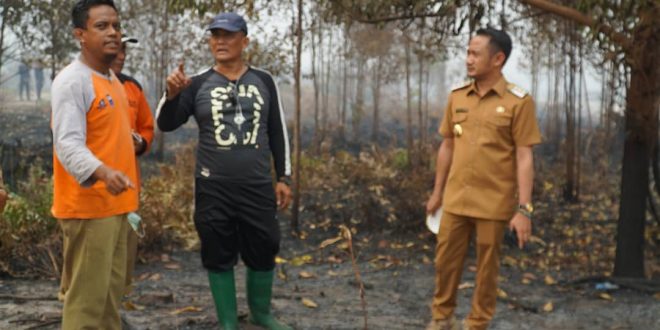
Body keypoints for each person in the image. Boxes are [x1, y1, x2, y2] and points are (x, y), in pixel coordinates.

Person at [157, 12, 292, 330]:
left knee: (264, 244)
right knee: (217, 249)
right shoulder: (198, 83)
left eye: (229, 35)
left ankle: (261, 313)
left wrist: (284, 176)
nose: (220, 41)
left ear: (244, 41)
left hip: (257, 185)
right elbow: (166, 123)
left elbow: (277, 130)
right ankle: (229, 322)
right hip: (212, 186)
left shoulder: (264, 80)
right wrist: (172, 94)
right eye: (215, 35)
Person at [425, 27, 541, 330]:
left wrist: (524, 209)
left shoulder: (518, 102)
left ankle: (477, 324)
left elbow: (524, 155)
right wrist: (437, 193)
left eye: (476, 53)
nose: (468, 59)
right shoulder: (457, 97)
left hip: (494, 202)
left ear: (498, 59)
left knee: (487, 271)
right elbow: (447, 145)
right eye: (468, 52)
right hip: (455, 199)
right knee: (445, 264)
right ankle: (441, 319)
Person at [51, 0, 137, 328]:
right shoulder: (72, 81)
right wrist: (103, 171)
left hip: (118, 208)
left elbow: (102, 134)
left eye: (115, 25)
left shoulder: (112, 80)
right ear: (80, 35)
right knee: (86, 307)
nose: (113, 32)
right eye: (102, 26)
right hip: (89, 211)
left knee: (110, 301)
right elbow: (68, 144)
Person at [110, 35, 154, 296]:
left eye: (124, 49)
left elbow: (147, 127)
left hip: (128, 189)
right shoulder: (80, 83)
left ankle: (115, 313)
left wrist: (141, 143)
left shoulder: (132, 88)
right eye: (117, 48)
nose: (122, 55)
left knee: (123, 260)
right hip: (93, 192)